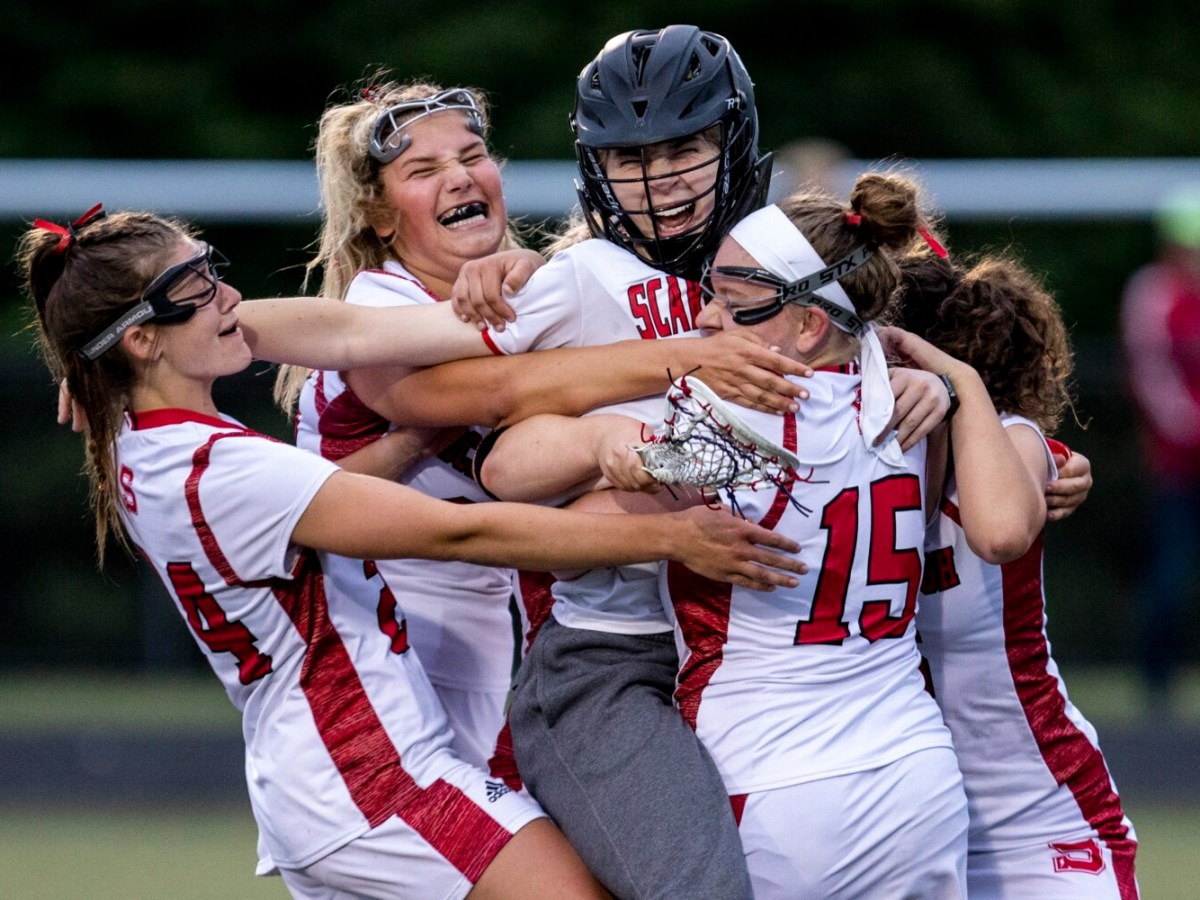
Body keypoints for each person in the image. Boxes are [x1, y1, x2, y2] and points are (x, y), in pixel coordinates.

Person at [17, 207, 807, 900]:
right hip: (370, 777)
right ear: (141, 340)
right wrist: (669, 536)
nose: (229, 298)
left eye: (213, 269)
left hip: (319, 783)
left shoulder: (141, 445)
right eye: (197, 288)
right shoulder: (222, 467)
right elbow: (460, 532)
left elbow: (328, 431)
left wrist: (414, 434)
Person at [481, 172, 1047, 898]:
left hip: (776, 781)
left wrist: (604, 443)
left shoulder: (729, 422)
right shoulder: (908, 391)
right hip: (920, 780)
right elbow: (1004, 527)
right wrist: (957, 384)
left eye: (734, 301)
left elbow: (507, 471)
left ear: (808, 324)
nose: (707, 317)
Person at [267, 76, 819, 772]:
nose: (459, 177)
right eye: (424, 169)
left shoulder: (532, 289)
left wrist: (913, 365)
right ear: (379, 216)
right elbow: (502, 397)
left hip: (495, 634)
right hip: (379, 636)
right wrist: (682, 360)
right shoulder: (384, 306)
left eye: (472, 156)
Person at [891, 247, 1140, 898]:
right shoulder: (850, 459)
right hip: (906, 821)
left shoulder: (1012, 439)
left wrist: (956, 385)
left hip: (1038, 813)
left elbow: (1001, 532)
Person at [1119, 181, 1200, 712]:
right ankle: (1156, 685)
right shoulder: (1153, 294)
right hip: (1177, 464)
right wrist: (1189, 427)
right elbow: (1151, 376)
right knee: (1170, 574)